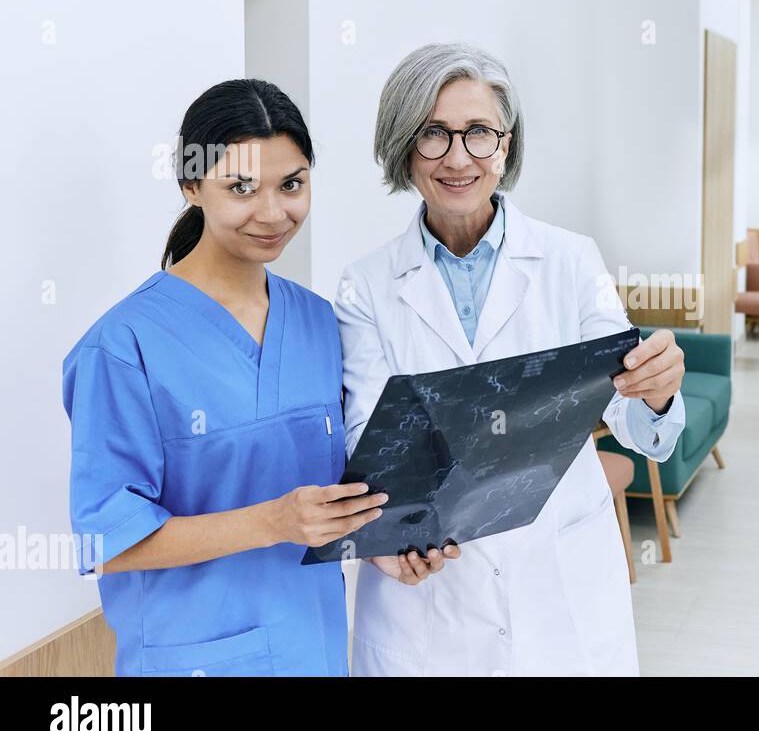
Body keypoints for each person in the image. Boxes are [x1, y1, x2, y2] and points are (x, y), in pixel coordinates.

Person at [338, 43, 687, 676]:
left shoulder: (573, 262)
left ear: (506, 145)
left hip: (556, 585)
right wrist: (392, 534)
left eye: (479, 133)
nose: (458, 157)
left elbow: (639, 424)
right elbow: (369, 434)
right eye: (433, 135)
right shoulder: (365, 287)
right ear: (402, 147)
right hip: (431, 595)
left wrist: (657, 391)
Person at [62, 80, 387, 676]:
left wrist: (390, 542)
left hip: (314, 651)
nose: (272, 212)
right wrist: (272, 522)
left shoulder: (317, 322)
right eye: (241, 188)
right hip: (193, 659)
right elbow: (106, 539)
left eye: (292, 184)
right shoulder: (123, 346)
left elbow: (340, 485)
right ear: (191, 186)